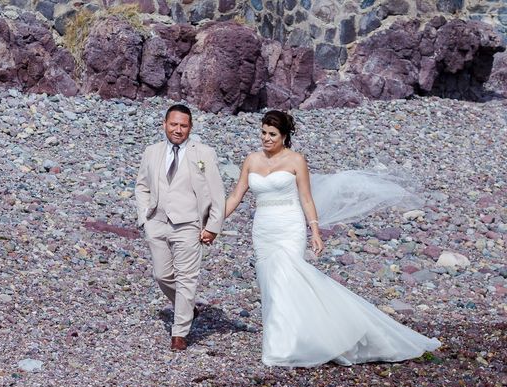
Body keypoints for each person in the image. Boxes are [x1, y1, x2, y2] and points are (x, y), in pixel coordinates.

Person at [224, 110, 441, 367]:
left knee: (288, 278)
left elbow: (306, 198)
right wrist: (214, 224)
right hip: (263, 229)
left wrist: (315, 230)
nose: (266, 138)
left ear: (284, 136)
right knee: (271, 283)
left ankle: (284, 348)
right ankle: (291, 339)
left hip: (289, 226)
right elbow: (237, 194)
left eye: (272, 134)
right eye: (263, 133)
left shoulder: (296, 160)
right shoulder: (252, 160)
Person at [135, 104, 225, 351]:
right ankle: (188, 307)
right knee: (161, 275)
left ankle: (179, 333)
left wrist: (213, 226)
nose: (178, 130)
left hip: (189, 224)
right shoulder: (152, 152)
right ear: (164, 124)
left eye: (183, 126)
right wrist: (145, 217)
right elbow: (142, 185)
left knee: (187, 279)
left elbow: (217, 192)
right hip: (157, 222)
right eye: (173, 124)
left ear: (190, 128)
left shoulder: (204, 153)